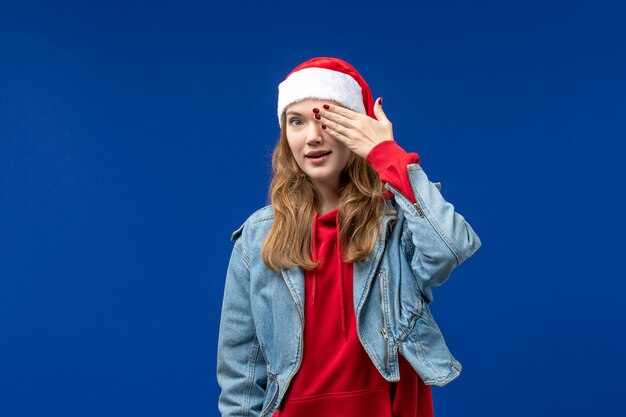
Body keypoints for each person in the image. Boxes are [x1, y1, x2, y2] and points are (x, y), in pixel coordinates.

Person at [217, 57, 481, 417]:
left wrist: (387, 154)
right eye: (297, 122)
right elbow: (241, 378)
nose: (313, 136)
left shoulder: (395, 222)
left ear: (356, 128)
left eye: (327, 118)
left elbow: (451, 247)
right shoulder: (258, 237)